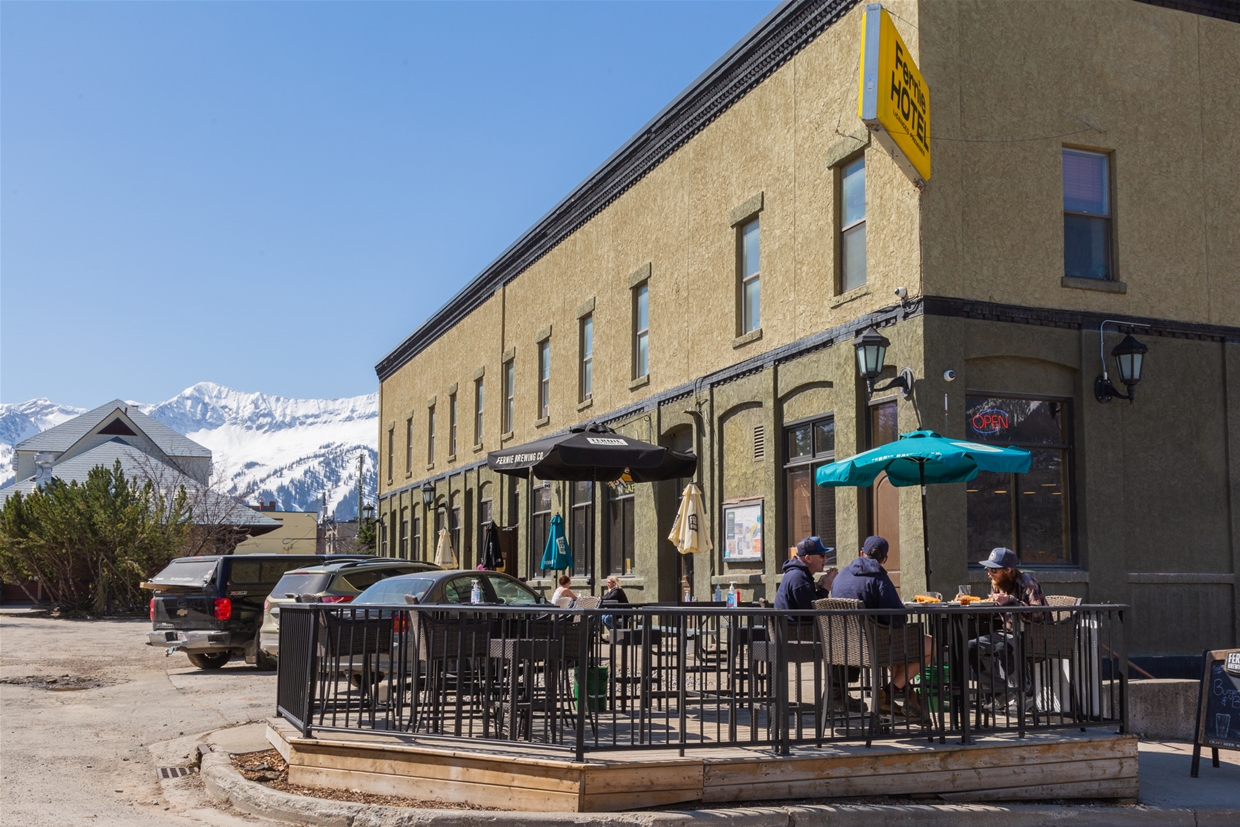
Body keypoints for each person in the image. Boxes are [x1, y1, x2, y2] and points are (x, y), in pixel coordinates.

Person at [831, 536, 930, 719]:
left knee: (900, 655)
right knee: (931, 646)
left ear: (862, 553)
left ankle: (907, 697)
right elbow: (898, 618)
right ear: (884, 559)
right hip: (874, 648)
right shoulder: (879, 578)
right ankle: (889, 693)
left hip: (843, 648)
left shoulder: (840, 576)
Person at [968, 547, 1048, 713]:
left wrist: (1012, 600)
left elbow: (1038, 615)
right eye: (987, 569)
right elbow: (993, 614)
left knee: (1004, 647)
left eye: (994, 570)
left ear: (1008, 570)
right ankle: (1001, 693)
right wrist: (971, 606)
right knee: (973, 646)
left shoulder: (1026, 581)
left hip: (1034, 634)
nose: (989, 573)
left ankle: (1025, 693)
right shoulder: (998, 583)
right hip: (1009, 632)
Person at [775, 536, 837, 610]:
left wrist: (821, 588)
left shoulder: (798, 574)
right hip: (795, 622)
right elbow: (814, 613)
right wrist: (825, 588)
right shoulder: (798, 578)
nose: (825, 559)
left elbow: (809, 604)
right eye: (822, 555)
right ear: (808, 558)